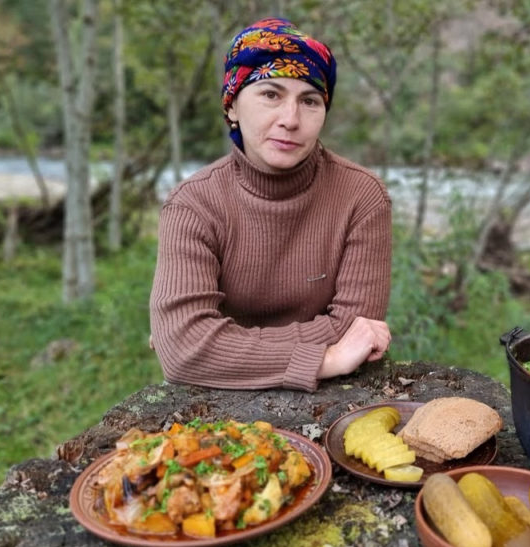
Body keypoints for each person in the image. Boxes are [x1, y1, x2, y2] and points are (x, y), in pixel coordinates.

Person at [149, 17, 392, 392]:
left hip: (337, 396)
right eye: (270, 95)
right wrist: (327, 358)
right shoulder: (193, 205)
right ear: (232, 106)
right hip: (216, 395)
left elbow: (358, 329)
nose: (290, 120)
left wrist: (218, 342)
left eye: (309, 101)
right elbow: (184, 351)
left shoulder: (361, 196)